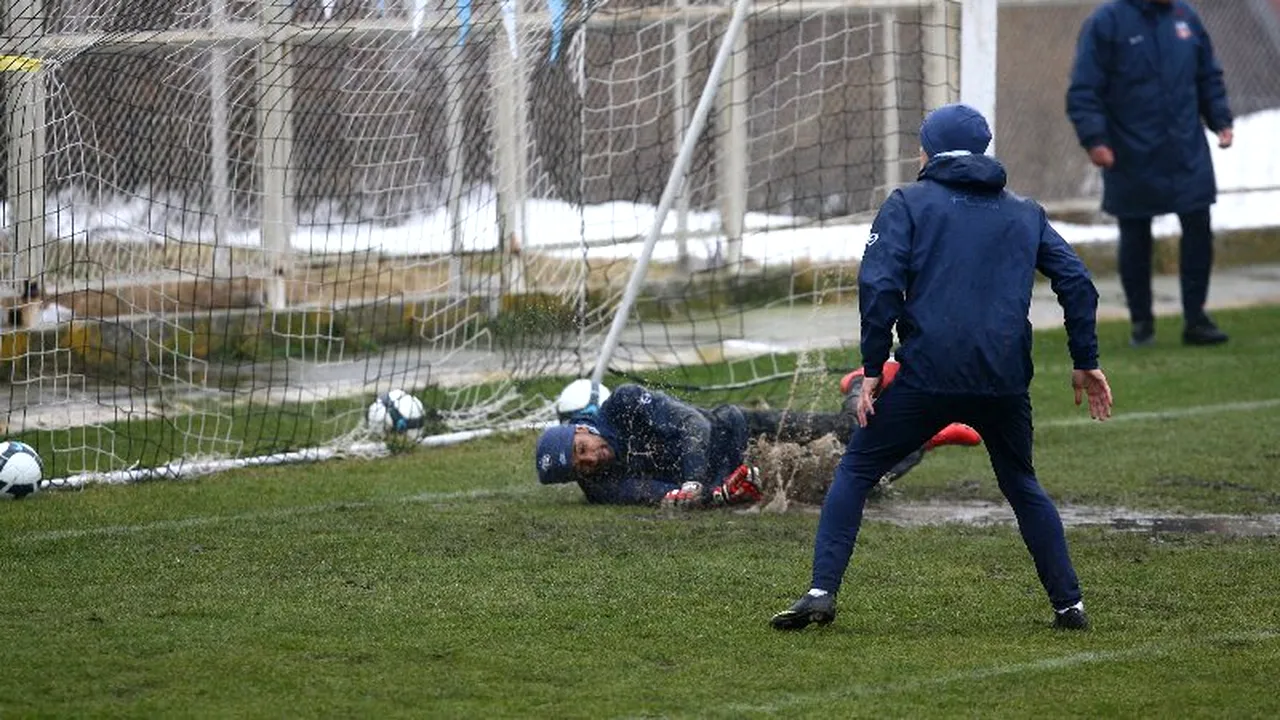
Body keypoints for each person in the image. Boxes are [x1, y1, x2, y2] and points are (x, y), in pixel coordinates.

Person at [769, 103, 1114, 633]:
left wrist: (870, 366)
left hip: (927, 375)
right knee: (1021, 483)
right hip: (1002, 381)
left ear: (929, 151)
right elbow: (1078, 283)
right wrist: (1084, 360)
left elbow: (878, 285)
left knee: (858, 469)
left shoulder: (908, 202)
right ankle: (1070, 605)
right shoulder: (1025, 212)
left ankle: (821, 592)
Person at [534, 373, 983, 508]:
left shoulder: (627, 401)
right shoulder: (601, 489)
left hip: (742, 429)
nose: (590, 459)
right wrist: (713, 494)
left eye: (581, 449)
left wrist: (694, 482)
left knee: (844, 431)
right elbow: (656, 496)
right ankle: (929, 438)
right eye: (581, 466)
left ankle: (857, 387)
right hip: (734, 472)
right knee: (856, 480)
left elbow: (696, 426)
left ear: (581, 428)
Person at [1066, 0, 1233, 347]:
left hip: (1186, 149)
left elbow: (1208, 75)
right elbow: (1084, 89)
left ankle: (1196, 319)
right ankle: (1142, 323)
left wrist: (1220, 120)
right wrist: (1095, 139)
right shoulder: (1106, 23)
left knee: (1198, 226)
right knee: (1135, 233)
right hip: (1130, 152)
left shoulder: (1186, 17)